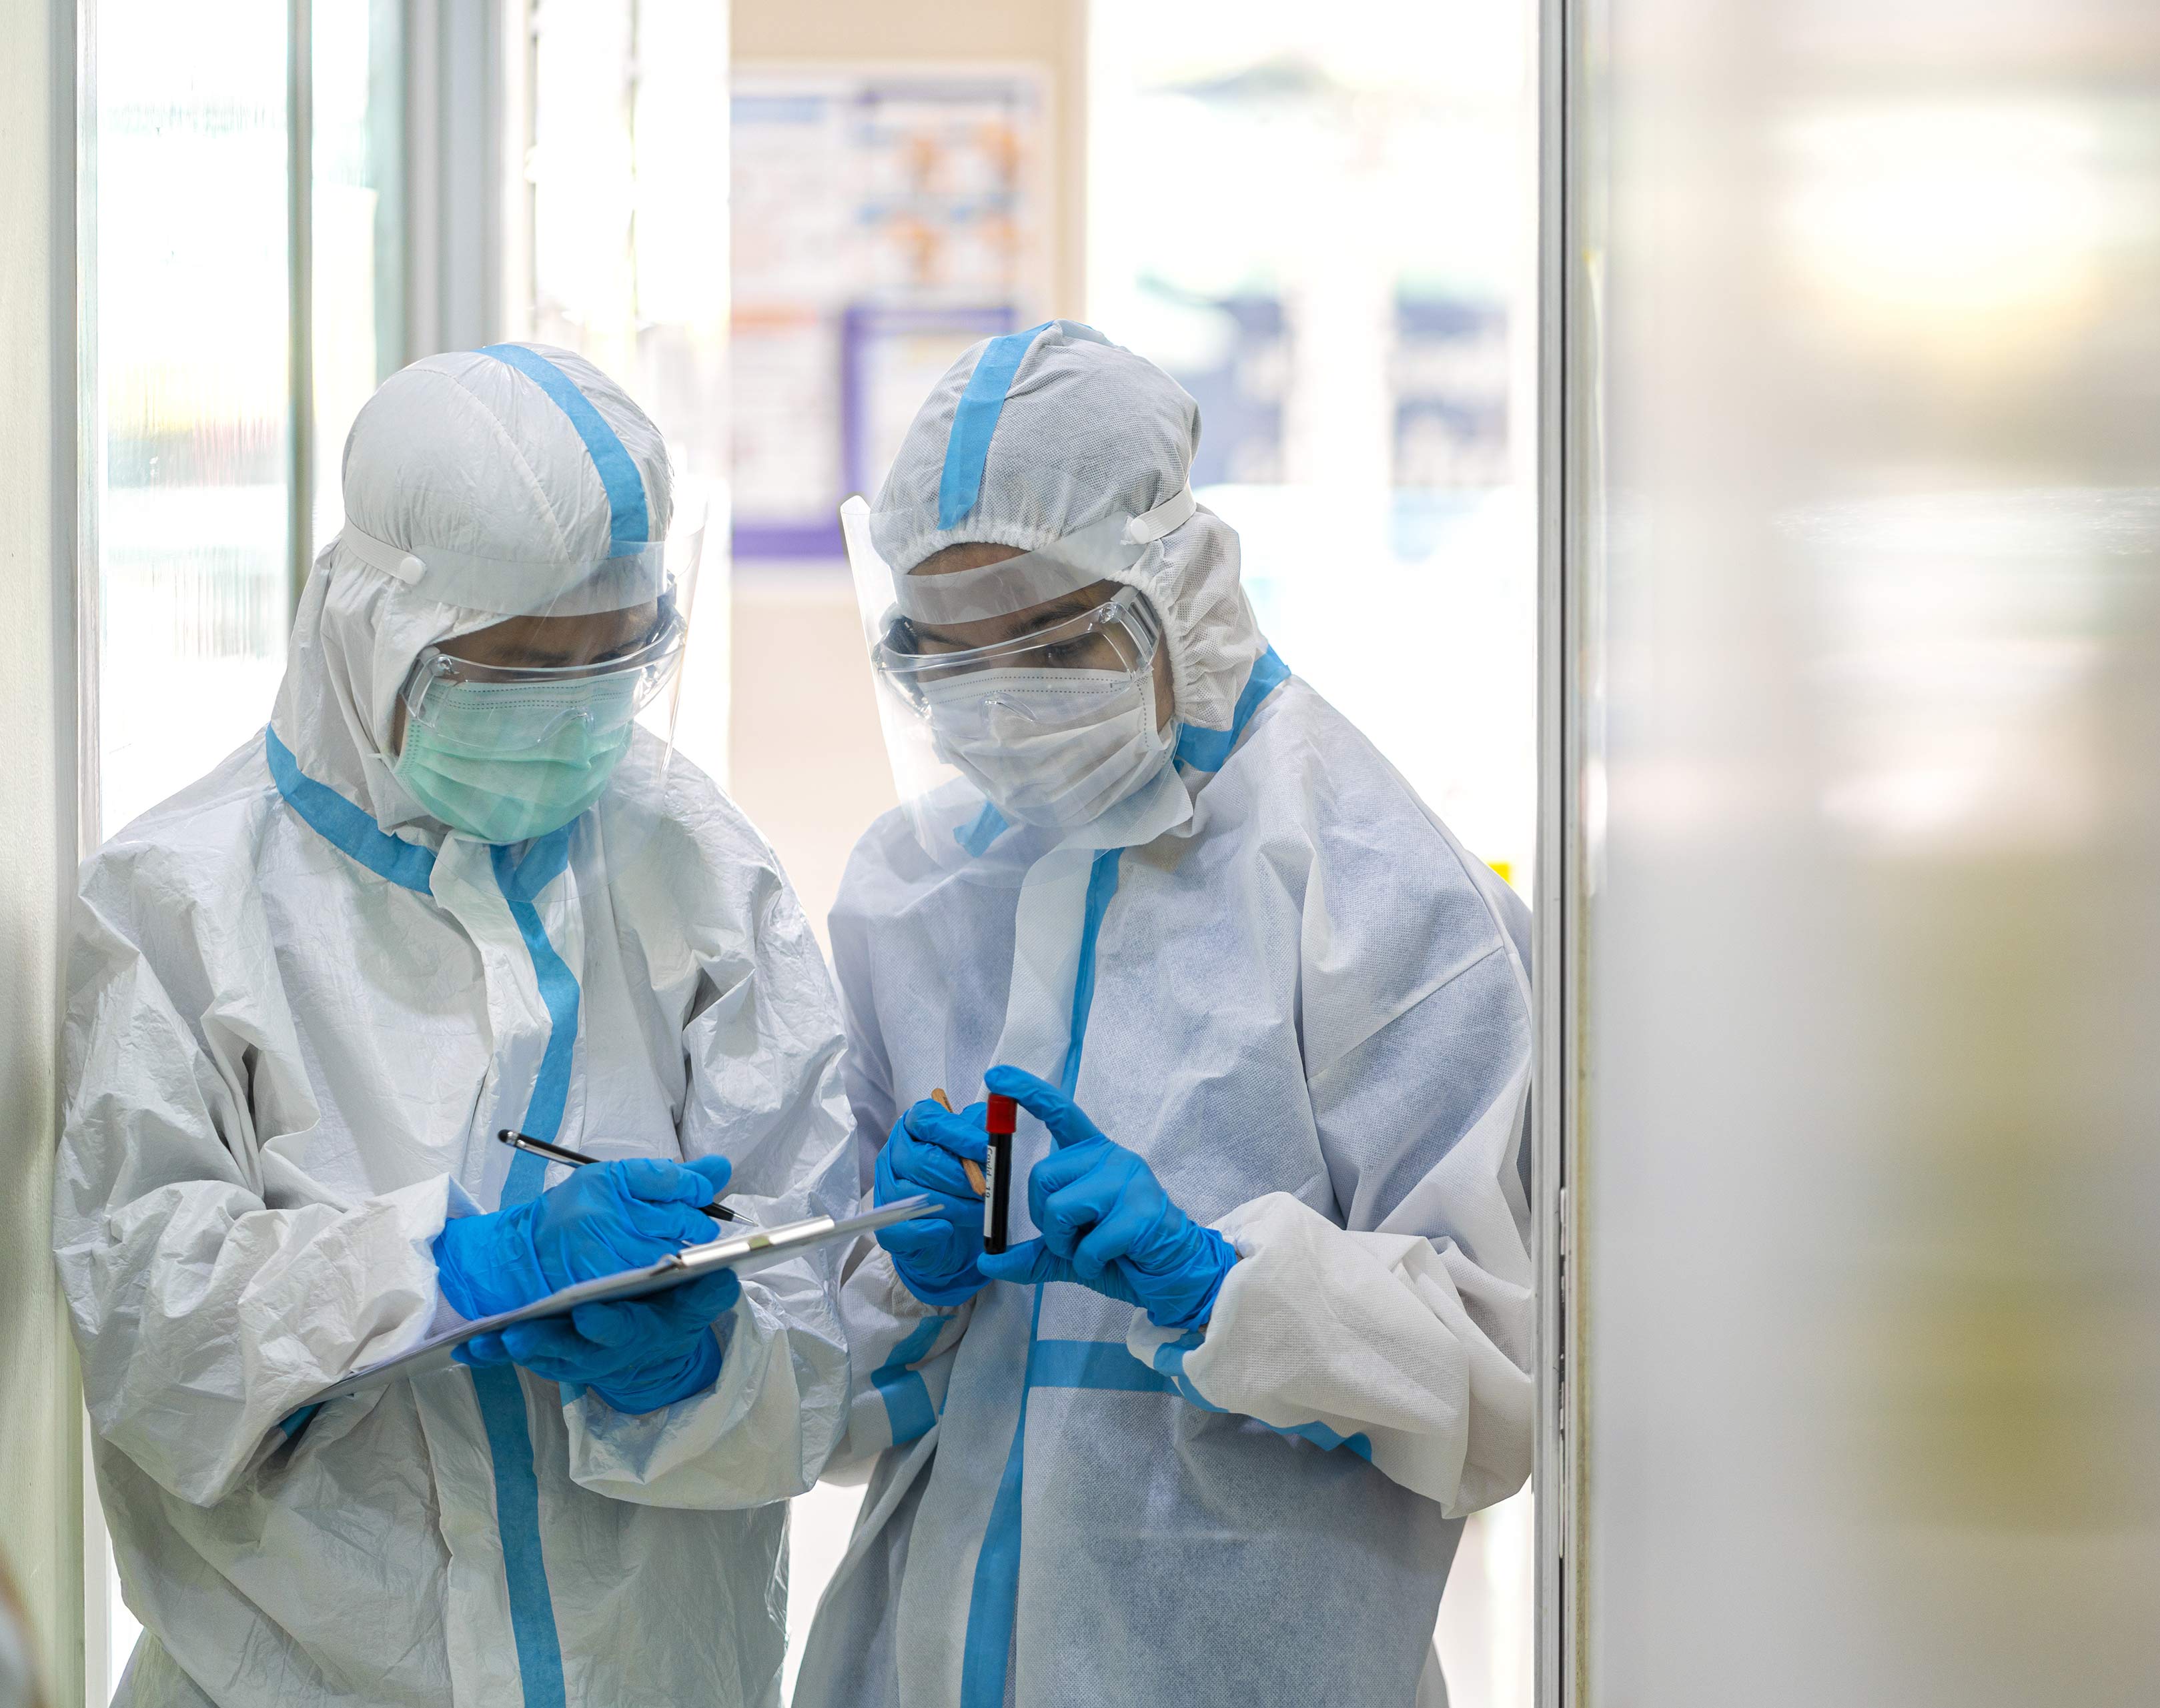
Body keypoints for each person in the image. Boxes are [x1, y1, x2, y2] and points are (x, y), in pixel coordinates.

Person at [54, 344, 861, 1708]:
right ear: (375, 627)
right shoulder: (176, 902)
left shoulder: (696, 866)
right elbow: (148, 1321)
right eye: (518, 671)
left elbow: (827, 1316)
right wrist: (444, 1273)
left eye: (612, 665)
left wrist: (715, 1362)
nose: (573, 720)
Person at [800, 321, 1536, 1707]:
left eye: (1048, 640)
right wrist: (903, 1274)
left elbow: (1498, 1389)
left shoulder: (1368, 884)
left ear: (1172, 583)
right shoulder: (916, 890)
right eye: (955, 659)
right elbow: (820, 1390)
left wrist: (1218, 1285)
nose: (1004, 705)